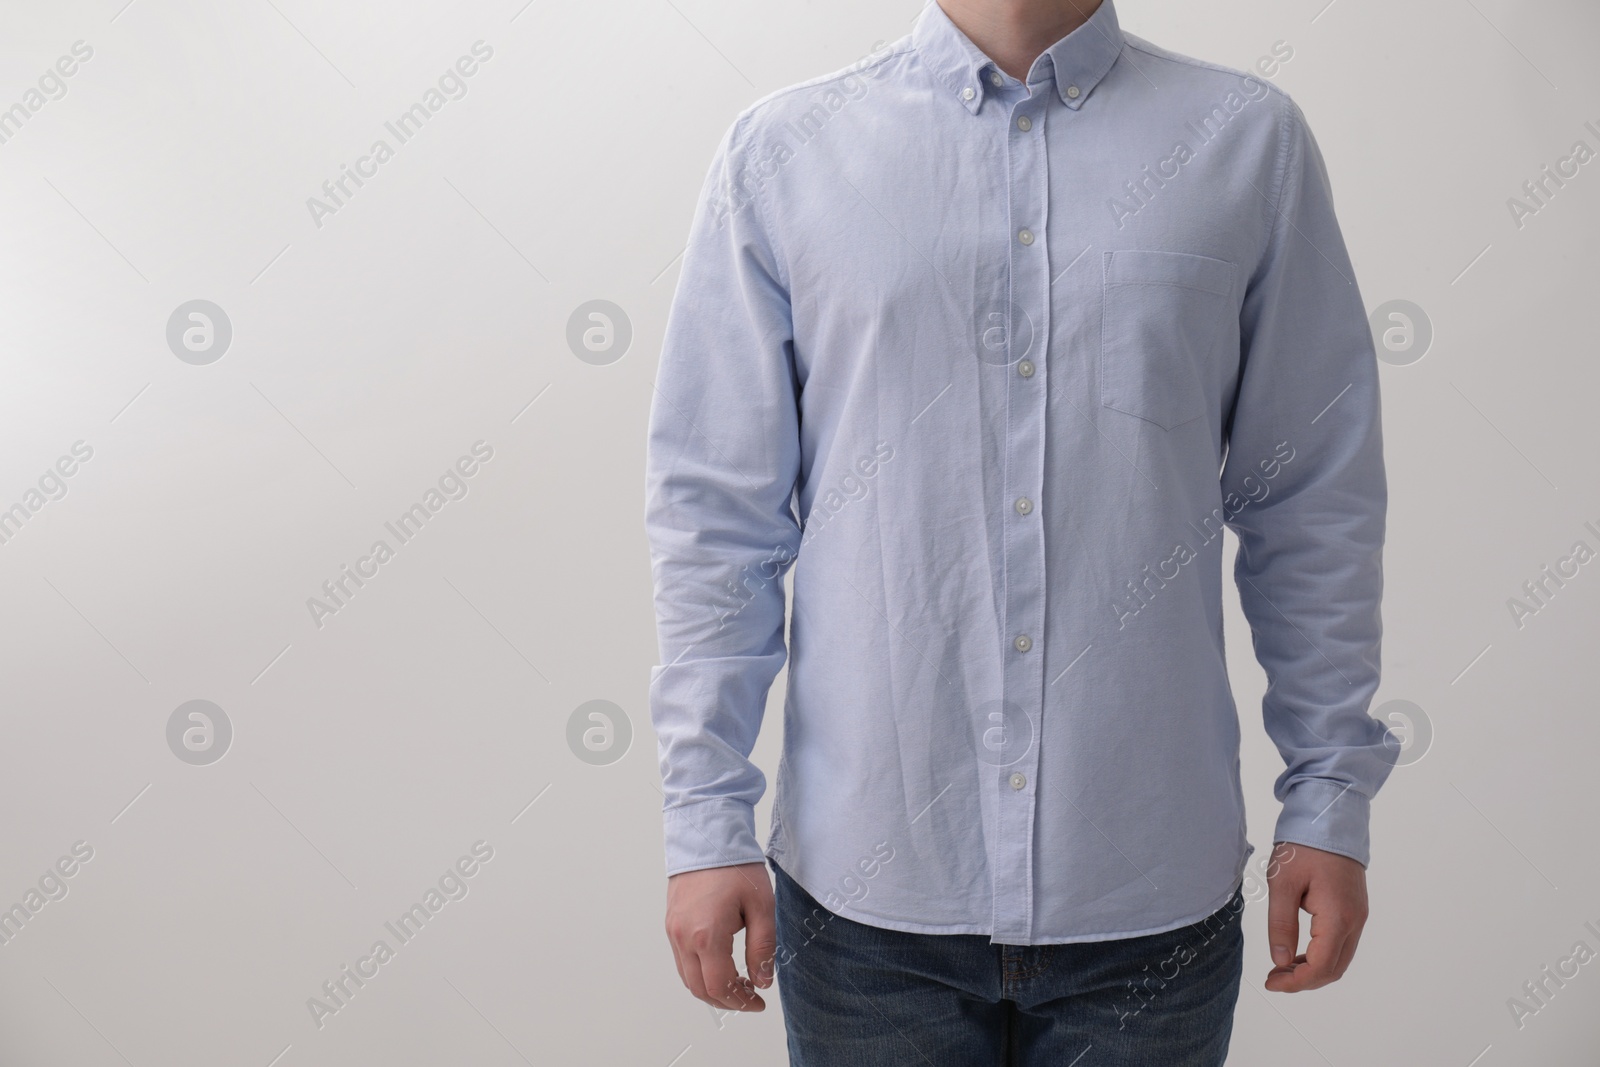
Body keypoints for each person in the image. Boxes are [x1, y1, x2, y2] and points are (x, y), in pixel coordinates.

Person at [643, 0, 1396, 1061]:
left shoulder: (1243, 140)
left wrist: (1327, 795)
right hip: (867, 898)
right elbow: (718, 517)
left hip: (1147, 896)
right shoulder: (784, 154)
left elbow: (1312, 497)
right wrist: (704, 818)